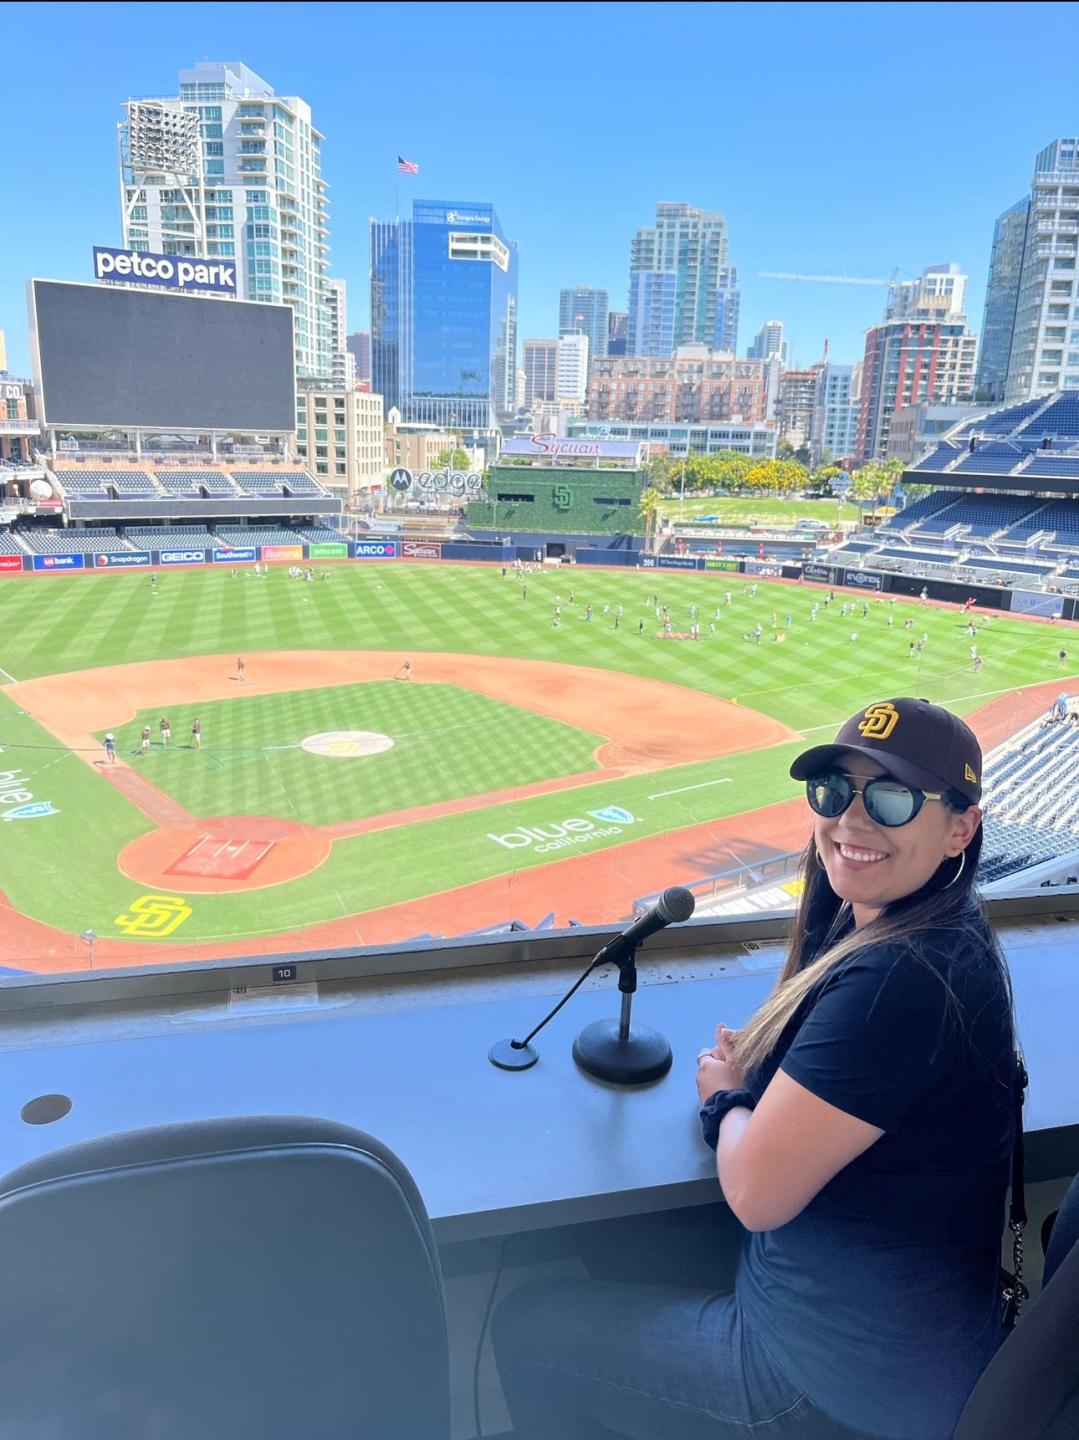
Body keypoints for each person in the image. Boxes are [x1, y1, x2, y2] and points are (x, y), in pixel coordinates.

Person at [493, 698, 1017, 1440]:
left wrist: (724, 1098)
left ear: (959, 825)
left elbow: (754, 1195)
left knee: (529, 1325)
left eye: (890, 798)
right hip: (900, 1345)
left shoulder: (899, 980)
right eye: (833, 792)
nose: (850, 821)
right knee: (601, 1243)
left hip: (827, 1387)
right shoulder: (931, 928)